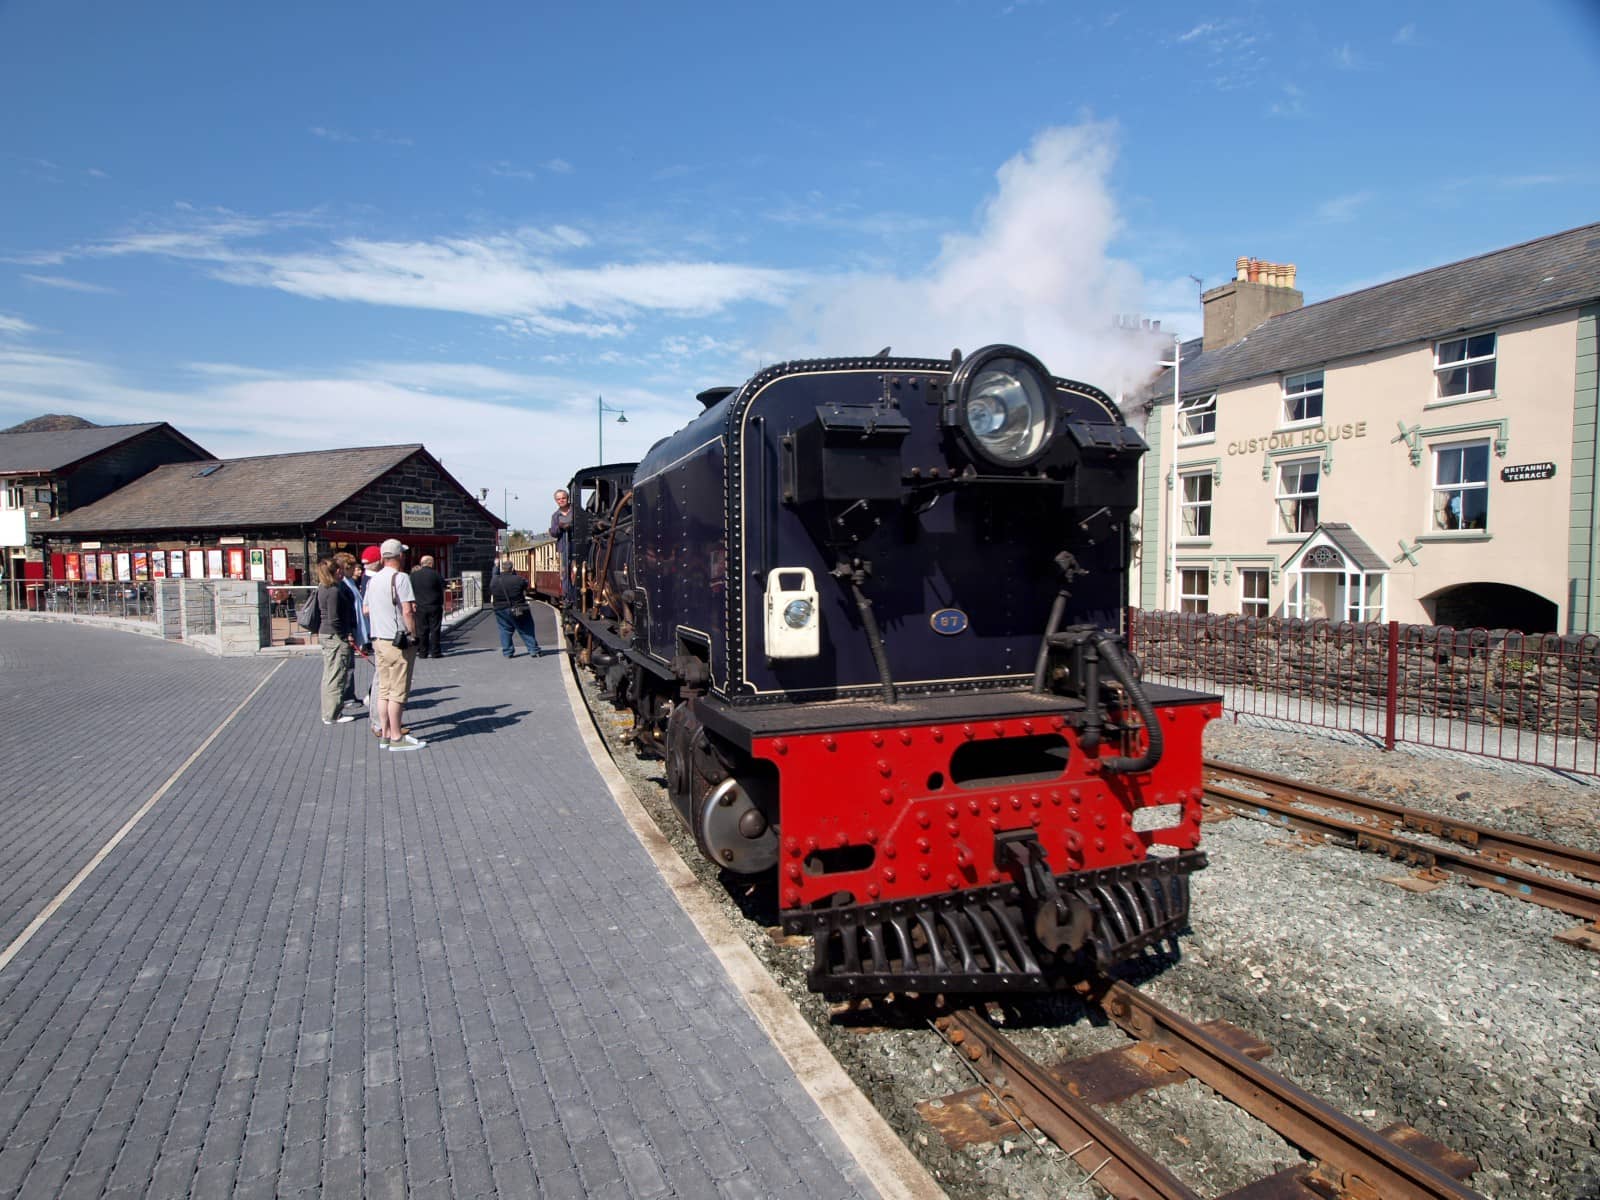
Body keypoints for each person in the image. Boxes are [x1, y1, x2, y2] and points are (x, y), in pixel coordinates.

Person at [364, 538, 425, 751]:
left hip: (378, 639)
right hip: (397, 640)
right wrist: (413, 634)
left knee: (384, 689)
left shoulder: (373, 580)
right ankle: (397, 737)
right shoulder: (400, 578)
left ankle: (385, 733)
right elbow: (407, 611)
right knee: (398, 690)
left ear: (383, 557)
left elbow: (366, 610)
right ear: (400, 556)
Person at [314, 558, 359, 726]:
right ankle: (332, 714)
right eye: (338, 570)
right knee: (336, 675)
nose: (341, 572)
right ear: (334, 572)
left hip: (327, 634)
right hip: (334, 636)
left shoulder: (323, 587)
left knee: (330, 674)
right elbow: (334, 619)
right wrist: (345, 635)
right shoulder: (333, 590)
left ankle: (329, 712)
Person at [334, 551, 372, 714]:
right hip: (348, 629)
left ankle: (349, 695)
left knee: (350, 664)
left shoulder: (350, 582)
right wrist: (348, 631)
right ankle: (347, 697)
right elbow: (345, 611)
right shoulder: (342, 585)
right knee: (346, 665)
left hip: (354, 627)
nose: (355, 570)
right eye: (351, 567)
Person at [489, 556, 541, 658]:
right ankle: (533, 650)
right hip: (518, 608)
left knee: (505, 630)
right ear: (512, 569)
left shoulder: (494, 580)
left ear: (502, 569)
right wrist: (515, 574)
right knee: (526, 628)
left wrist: (496, 566)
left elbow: (494, 576)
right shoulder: (518, 579)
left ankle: (508, 652)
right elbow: (526, 585)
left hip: (500, 609)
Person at [410, 553, 446, 658]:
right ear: (431, 563)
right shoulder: (435, 574)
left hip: (420, 605)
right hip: (434, 605)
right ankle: (435, 652)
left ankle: (423, 652)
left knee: (422, 630)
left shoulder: (414, 575)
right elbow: (443, 586)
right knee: (435, 629)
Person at [550, 488, 576, 606]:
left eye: (563, 498)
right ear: (556, 501)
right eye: (558, 499)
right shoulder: (555, 516)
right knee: (565, 572)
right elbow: (554, 532)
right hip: (564, 546)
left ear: (567, 498)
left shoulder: (575, 511)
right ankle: (567, 596)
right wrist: (559, 527)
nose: (561, 500)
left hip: (576, 544)